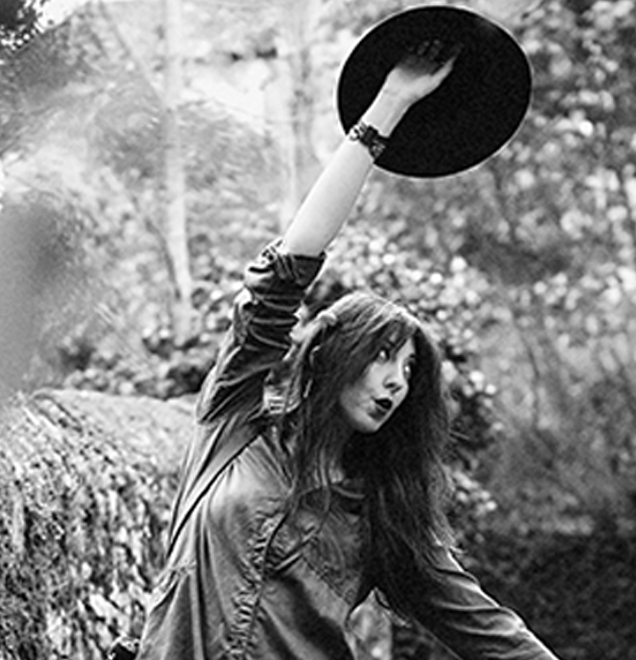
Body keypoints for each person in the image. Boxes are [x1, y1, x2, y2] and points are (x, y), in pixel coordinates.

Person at [132, 39, 560, 660]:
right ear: (331, 355)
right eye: (383, 356)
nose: (397, 383)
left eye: (409, 371)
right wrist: (391, 101)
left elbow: (487, 629)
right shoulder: (235, 428)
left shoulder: (382, 511)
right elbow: (287, 268)